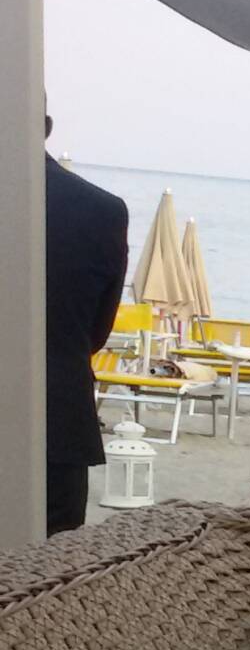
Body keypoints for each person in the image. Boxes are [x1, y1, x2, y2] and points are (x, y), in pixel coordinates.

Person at [43, 111, 127, 535]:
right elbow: (96, 332)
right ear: (45, 126)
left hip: (58, 424)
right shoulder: (100, 210)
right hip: (57, 420)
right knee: (48, 566)